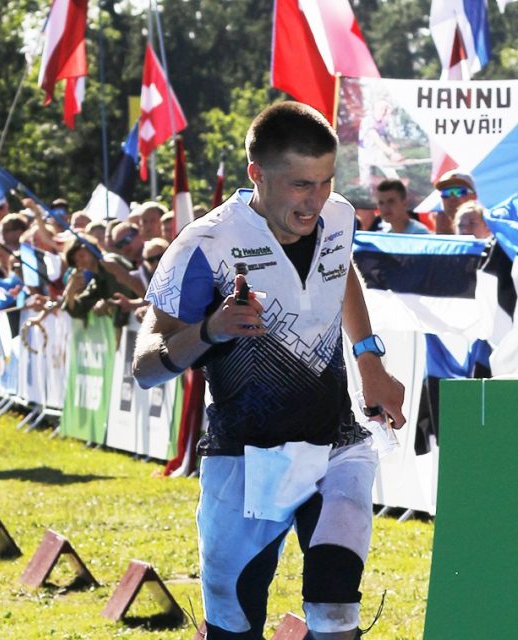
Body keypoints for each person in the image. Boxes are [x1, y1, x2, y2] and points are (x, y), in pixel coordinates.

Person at [132, 101, 405, 640]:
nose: (317, 201)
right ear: (257, 173)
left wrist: (369, 357)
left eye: (326, 181)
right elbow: (145, 365)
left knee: (334, 607)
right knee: (234, 624)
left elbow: (339, 266)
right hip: (245, 458)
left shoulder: (338, 216)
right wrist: (210, 330)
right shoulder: (203, 245)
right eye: (301, 185)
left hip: (335, 445)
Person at [434, 169, 478, 234]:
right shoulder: (440, 232)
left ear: (474, 196)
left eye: (458, 191)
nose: (452, 198)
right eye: (446, 192)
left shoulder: (490, 228)